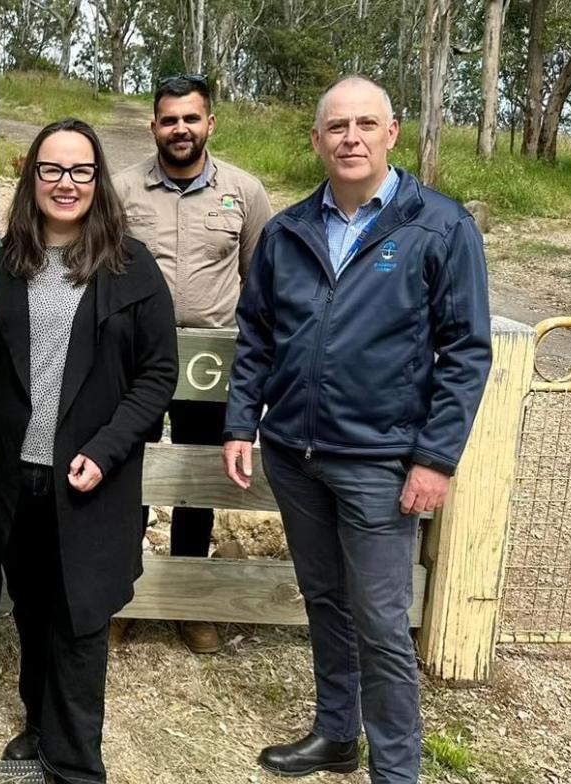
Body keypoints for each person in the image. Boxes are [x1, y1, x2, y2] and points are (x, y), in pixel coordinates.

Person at [222, 76, 491, 783]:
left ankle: (396, 772)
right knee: (325, 602)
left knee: (380, 623)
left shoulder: (438, 226)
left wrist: (435, 458)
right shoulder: (287, 231)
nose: (351, 138)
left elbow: (466, 351)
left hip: (380, 461)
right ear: (316, 140)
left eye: (365, 124)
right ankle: (337, 735)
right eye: (336, 127)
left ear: (392, 133)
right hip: (294, 454)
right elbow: (255, 336)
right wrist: (240, 423)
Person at [0, 118, 178, 782]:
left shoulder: (130, 267)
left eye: (80, 171)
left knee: (79, 619)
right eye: (51, 169)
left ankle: (74, 765)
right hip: (19, 477)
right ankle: (40, 725)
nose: (65, 183)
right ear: (31, 178)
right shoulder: (3, 265)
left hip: (89, 478)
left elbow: (159, 373)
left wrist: (105, 449)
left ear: (97, 180)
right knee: (33, 609)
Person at [115, 73, 272, 654]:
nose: (180, 128)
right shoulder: (123, 190)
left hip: (212, 365)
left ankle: (189, 597)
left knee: (196, 478)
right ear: (154, 125)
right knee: (130, 472)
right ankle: (122, 596)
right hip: (135, 359)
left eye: (191, 118)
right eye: (169, 119)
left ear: (210, 123)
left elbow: (262, 282)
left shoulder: (245, 192)